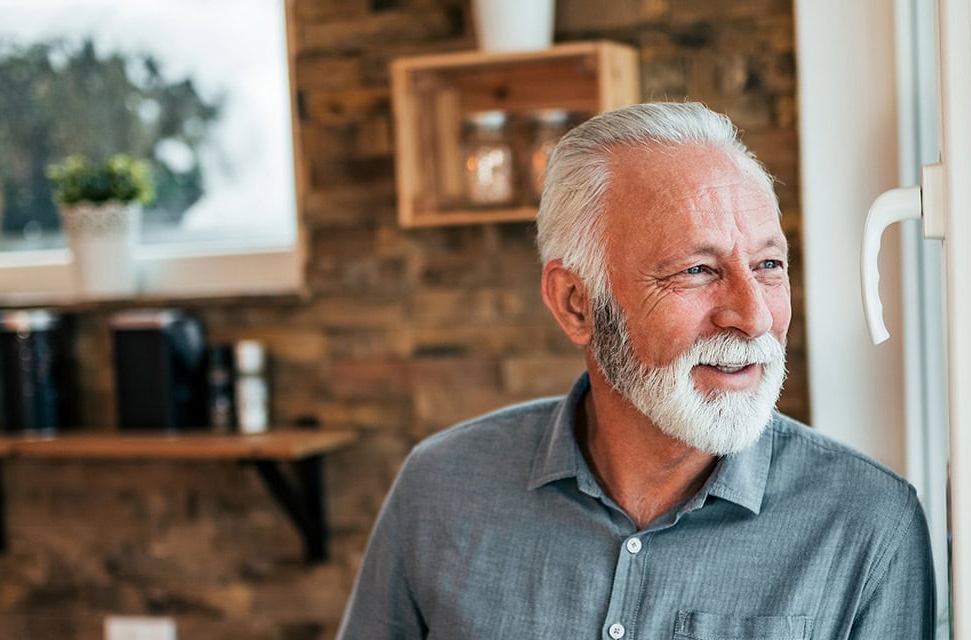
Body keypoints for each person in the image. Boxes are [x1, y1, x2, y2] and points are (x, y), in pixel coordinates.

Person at [337, 102, 935, 639]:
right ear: (576, 303)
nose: (753, 317)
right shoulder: (440, 490)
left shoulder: (870, 525)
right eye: (697, 270)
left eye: (769, 264)